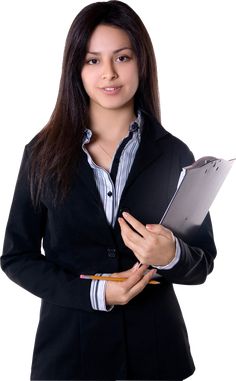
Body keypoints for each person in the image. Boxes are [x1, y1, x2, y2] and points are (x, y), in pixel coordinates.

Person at [0, 1, 217, 380]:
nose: (109, 74)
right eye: (93, 60)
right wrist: (95, 295)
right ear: (76, 69)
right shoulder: (41, 154)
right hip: (69, 357)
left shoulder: (174, 153)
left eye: (122, 57)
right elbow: (17, 258)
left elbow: (202, 262)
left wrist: (170, 255)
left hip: (155, 358)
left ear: (141, 62)